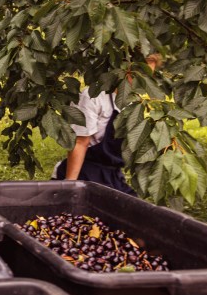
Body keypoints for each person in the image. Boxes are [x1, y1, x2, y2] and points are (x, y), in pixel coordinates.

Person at [51, 54, 163, 195]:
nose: (143, 81)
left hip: (113, 176)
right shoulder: (94, 96)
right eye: (140, 75)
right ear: (123, 69)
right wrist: (70, 185)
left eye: (148, 76)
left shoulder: (133, 103)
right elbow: (80, 143)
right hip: (85, 172)